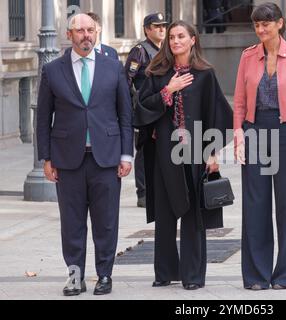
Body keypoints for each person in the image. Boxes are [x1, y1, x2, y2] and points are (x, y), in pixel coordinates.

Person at [36, 14, 133, 296]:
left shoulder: (113, 67)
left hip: (106, 158)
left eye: (90, 30)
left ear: (97, 32)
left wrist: (126, 155)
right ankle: (75, 277)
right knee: (72, 223)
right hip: (67, 160)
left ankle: (104, 276)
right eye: (80, 30)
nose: (86, 35)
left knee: (106, 222)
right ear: (69, 35)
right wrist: (46, 157)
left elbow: (125, 115)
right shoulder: (53, 70)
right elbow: (43, 119)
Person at [133, 20, 232, 290]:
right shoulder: (157, 72)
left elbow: (219, 113)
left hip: (194, 152)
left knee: (192, 214)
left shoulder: (205, 74)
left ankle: (192, 275)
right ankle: (165, 272)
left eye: (181, 36)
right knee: (165, 213)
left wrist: (213, 153)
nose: (175, 41)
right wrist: (168, 90)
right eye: (172, 37)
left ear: (192, 40)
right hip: (164, 152)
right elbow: (140, 109)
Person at [233, 3, 286, 290]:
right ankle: (256, 276)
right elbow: (240, 101)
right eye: (256, 25)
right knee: (255, 205)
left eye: (266, 24)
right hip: (255, 132)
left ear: (280, 23)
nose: (260, 29)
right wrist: (239, 134)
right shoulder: (247, 57)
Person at [125, 12, 167, 208]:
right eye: (157, 26)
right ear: (147, 29)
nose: (161, 29)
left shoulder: (165, 50)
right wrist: (133, 106)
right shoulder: (140, 51)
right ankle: (143, 193)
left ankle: (157, 189)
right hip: (144, 110)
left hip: (161, 107)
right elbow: (126, 80)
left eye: (163, 26)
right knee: (143, 152)